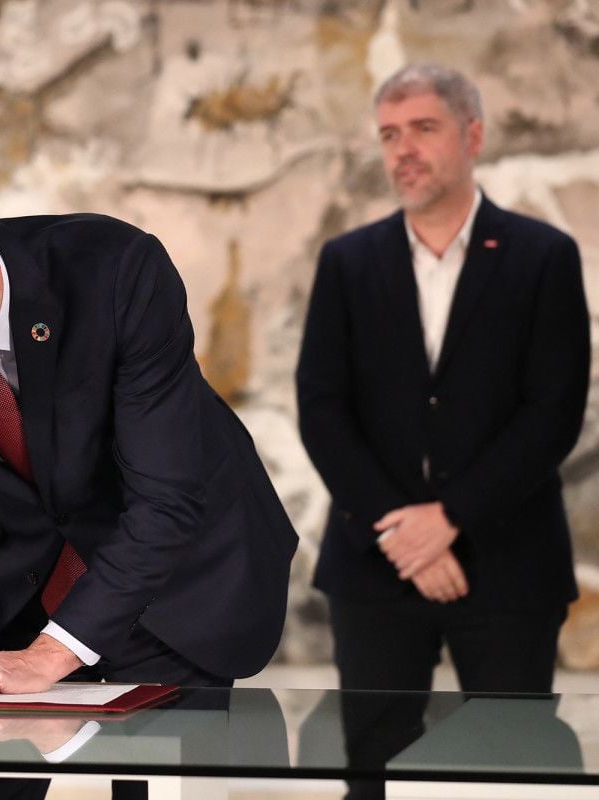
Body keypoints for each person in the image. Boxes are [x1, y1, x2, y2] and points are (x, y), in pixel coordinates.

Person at [0, 178, 298, 800]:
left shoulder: (116, 274)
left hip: (174, 566)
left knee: (156, 788)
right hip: (22, 565)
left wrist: (50, 655)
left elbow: (165, 501)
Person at [295, 64, 590, 798]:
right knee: (372, 767)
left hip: (508, 559)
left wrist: (450, 518)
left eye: (423, 128)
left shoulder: (543, 257)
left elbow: (553, 411)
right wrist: (404, 533)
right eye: (390, 134)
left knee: (510, 770)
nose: (403, 150)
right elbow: (321, 407)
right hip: (377, 561)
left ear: (474, 135)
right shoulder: (347, 261)